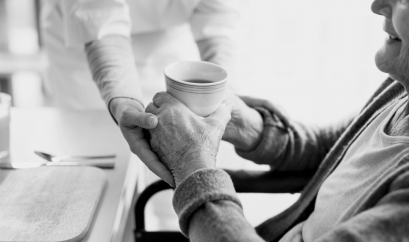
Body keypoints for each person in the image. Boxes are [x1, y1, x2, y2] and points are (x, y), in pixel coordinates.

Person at [145, 0, 409, 241]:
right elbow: (332, 148)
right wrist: (250, 126)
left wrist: (191, 164)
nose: (378, 5)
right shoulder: (400, 88)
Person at [40, 0, 243, 186]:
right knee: (99, 163)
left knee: (182, 156)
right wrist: (122, 100)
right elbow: (101, 17)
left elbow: (218, 17)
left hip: (169, 37)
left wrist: (219, 87)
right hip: (86, 38)